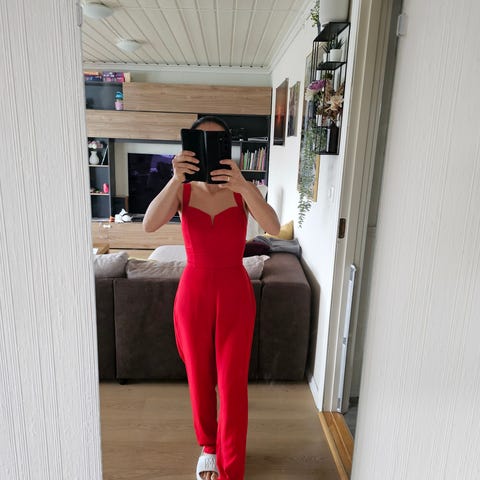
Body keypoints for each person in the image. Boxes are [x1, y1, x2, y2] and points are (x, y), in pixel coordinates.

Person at [143, 116, 280, 480]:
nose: (207, 148)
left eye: (217, 141)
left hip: (235, 293)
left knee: (232, 385)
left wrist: (245, 185)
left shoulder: (241, 190)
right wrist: (175, 178)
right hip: (194, 294)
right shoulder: (183, 190)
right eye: (200, 141)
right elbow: (149, 225)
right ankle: (209, 446)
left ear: (227, 148)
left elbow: (273, 227)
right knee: (200, 378)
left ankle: (232, 469)